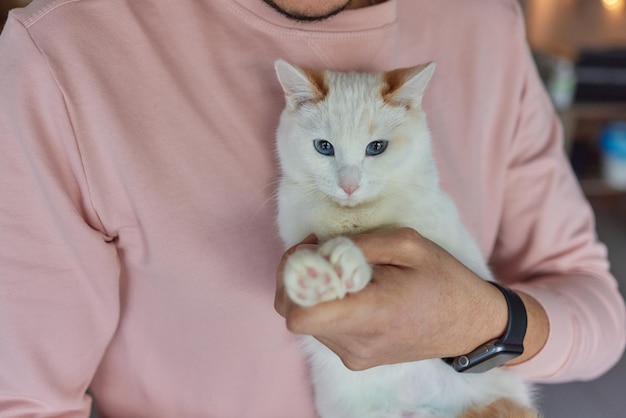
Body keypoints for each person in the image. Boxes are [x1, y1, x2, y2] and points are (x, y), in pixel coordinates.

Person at [0, 0, 624, 416]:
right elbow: (23, 400)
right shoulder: (63, 53)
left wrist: (481, 324)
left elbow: (597, 308)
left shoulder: (484, 21)